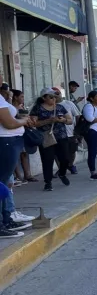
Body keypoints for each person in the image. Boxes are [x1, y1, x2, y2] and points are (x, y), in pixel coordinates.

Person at [0, 84, 33, 237]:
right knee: (3, 183)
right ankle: (3, 221)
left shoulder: (3, 99)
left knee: (7, 182)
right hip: (6, 142)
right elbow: (9, 123)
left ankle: (7, 217)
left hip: (10, 142)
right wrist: (24, 122)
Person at [29, 88, 73, 191]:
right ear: (44, 98)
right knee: (47, 160)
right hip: (46, 137)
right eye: (51, 96)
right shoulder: (37, 108)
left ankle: (62, 173)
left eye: (55, 96)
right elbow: (33, 123)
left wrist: (62, 120)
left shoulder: (60, 107)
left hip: (61, 137)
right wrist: (48, 121)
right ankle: (48, 182)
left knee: (66, 158)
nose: (54, 98)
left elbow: (70, 120)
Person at [54, 88, 81, 175]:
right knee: (57, 153)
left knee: (72, 151)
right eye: (54, 94)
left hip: (70, 132)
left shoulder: (68, 103)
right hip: (56, 134)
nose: (56, 95)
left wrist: (77, 129)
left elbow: (77, 116)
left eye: (58, 93)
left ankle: (70, 165)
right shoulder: (50, 106)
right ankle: (61, 169)